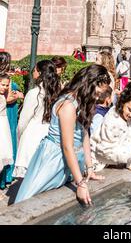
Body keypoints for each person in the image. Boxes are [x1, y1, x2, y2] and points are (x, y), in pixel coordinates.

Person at [14, 64, 111, 205]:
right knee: (32, 201)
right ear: (88, 84)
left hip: (69, 158)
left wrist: (89, 168)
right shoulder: (68, 105)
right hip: (54, 158)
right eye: (97, 93)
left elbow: (84, 135)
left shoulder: (81, 102)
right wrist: (81, 184)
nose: (97, 98)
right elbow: (67, 146)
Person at [14, 60, 61, 178]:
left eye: (34, 70)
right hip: (49, 134)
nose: (32, 72)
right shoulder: (57, 92)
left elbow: (23, 121)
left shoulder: (34, 93)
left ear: (40, 73)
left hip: (32, 136)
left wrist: (19, 137)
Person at [90, 82, 131, 172]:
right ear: (123, 101)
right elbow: (104, 150)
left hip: (115, 158)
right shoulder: (112, 120)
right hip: (97, 161)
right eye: (130, 110)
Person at [0, 51, 24, 189]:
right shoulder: (5, 80)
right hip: (6, 114)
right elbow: (7, 99)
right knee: (6, 143)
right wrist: (19, 95)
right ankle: (5, 176)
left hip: (8, 112)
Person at [0, 74, 13, 174]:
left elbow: (8, 97)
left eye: (6, 85)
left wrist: (10, 82)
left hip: (4, 126)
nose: (5, 87)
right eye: (2, 85)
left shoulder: (2, 95)